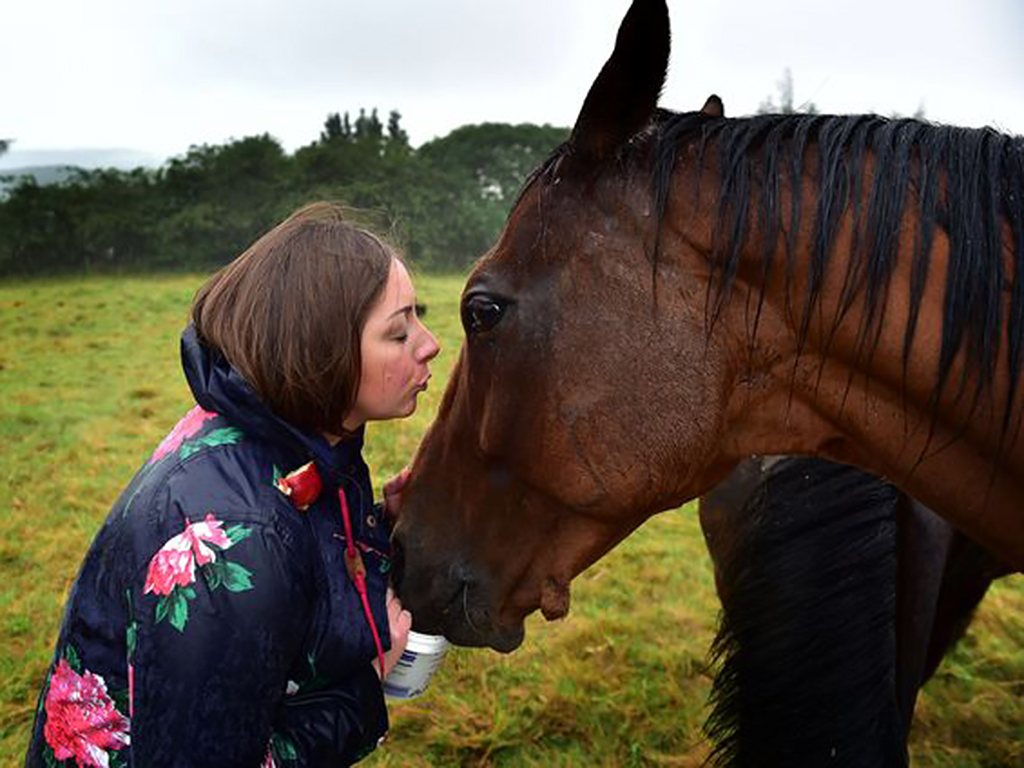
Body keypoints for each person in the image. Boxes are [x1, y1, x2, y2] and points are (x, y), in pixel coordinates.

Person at [25, 202, 440, 767]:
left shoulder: (287, 434)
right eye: (398, 332)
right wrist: (361, 691)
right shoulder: (237, 536)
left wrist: (382, 530)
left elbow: (304, 562)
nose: (430, 343)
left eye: (417, 316)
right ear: (321, 351)